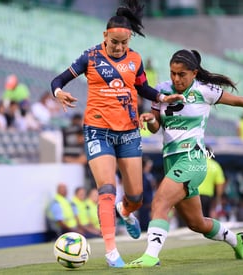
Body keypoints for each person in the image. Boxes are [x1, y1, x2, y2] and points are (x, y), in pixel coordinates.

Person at [50, 0, 184, 267]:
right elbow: (59, 80)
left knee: (136, 197)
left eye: (124, 43)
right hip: (98, 131)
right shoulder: (90, 57)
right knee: (107, 189)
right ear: (105, 36)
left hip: (129, 134)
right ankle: (111, 251)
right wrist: (58, 93)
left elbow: (143, 89)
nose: (119, 47)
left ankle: (125, 212)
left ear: (129, 39)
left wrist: (162, 97)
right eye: (115, 42)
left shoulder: (135, 59)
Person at [127, 49, 243, 268]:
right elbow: (156, 126)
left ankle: (151, 256)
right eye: (173, 73)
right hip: (171, 161)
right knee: (197, 224)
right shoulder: (162, 89)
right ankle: (236, 240)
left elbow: (238, 101)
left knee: (159, 202)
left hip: (192, 158)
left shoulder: (205, 90)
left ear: (194, 73)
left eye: (182, 74)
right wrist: (149, 119)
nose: (176, 78)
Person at [198, 145, 226, 218]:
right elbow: (220, 184)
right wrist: (218, 199)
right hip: (207, 197)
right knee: (205, 219)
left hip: (194, 195)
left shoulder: (194, 164)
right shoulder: (215, 166)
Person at [138, 156, 156, 231]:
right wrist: (148, 202)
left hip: (149, 203)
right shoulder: (142, 176)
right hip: (145, 205)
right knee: (145, 223)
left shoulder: (149, 175)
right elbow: (143, 190)